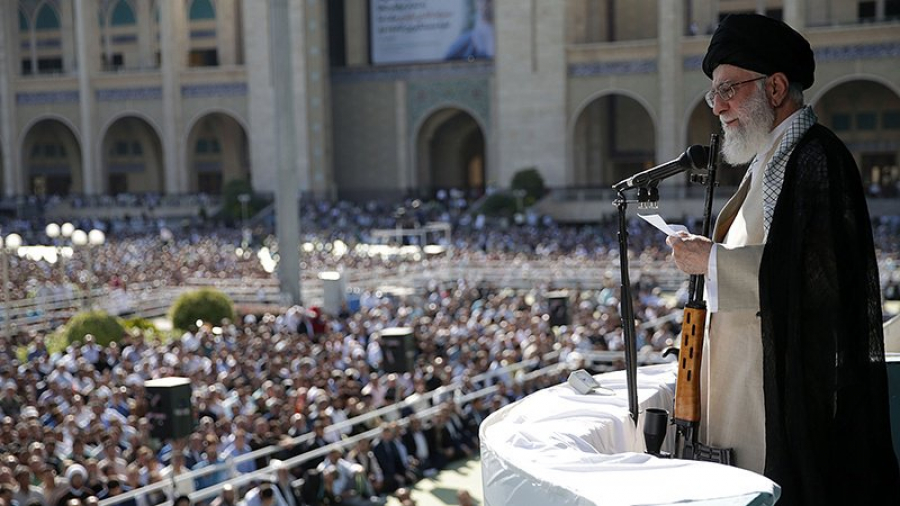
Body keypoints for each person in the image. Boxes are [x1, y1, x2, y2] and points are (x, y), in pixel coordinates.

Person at [666, 13, 900, 505]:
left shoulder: (814, 157)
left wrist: (712, 261)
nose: (719, 108)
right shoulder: (771, 156)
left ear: (774, 87)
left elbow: (817, 278)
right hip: (749, 384)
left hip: (779, 398)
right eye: (714, 95)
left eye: (728, 90)